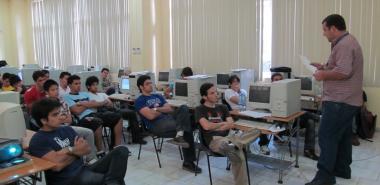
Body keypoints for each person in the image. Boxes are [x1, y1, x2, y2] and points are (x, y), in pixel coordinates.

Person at [306, 14, 363, 185]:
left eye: (325, 29)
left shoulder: (344, 44)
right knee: (343, 136)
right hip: (348, 100)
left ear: (333, 28)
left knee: (326, 136)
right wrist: (323, 67)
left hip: (340, 101)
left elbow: (344, 72)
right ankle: (342, 169)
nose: (323, 33)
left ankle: (324, 178)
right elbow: (340, 67)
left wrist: (323, 74)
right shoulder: (346, 42)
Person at [29, 98, 129, 185]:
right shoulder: (38, 140)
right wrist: (75, 150)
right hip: (67, 180)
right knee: (110, 180)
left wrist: (66, 152)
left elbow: (86, 149)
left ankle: (111, 181)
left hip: (83, 169)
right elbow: (57, 167)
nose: (60, 116)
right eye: (55, 115)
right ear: (43, 120)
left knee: (121, 151)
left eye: (59, 113)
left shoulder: (66, 129)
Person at [195, 83, 260, 185]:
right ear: (204, 96)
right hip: (214, 140)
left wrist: (218, 125)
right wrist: (222, 124)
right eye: (212, 93)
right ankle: (233, 145)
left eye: (216, 92)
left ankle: (233, 144)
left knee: (256, 130)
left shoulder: (223, 107)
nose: (216, 94)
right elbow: (206, 126)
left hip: (230, 136)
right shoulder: (200, 109)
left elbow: (231, 124)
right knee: (239, 156)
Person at [134, 75, 201, 173]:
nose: (150, 85)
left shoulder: (158, 96)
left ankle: (180, 136)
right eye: (147, 84)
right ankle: (188, 161)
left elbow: (169, 109)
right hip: (157, 125)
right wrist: (163, 110)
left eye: (150, 83)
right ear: (141, 87)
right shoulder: (140, 100)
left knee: (184, 108)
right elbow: (150, 116)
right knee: (187, 126)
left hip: (169, 120)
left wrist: (155, 109)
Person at [43, 79, 98, 163]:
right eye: (53, 90)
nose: (56, 91)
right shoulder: (44, 104)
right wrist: (61, 118)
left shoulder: (62, 101)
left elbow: (69, 119)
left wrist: (59, 119)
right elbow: (49, 122)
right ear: (46, 92)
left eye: (57, 89)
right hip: (53, 129)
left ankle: (91, 159)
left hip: (66, 127)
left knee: (88, 132)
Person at [63, 75, 122, 150]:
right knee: (97, 122)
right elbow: (77, 111)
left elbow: (95, 103)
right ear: (69, 85)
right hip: (82, 118)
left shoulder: (84, 94)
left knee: (118, 117)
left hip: (94, 114)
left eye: (79, 83)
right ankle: (100, 151)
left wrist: (82, 103)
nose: (78, 86)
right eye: (76, 84)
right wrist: (89, 104)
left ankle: (117, 147)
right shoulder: (66, 97)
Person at [271, 73, 319, 160]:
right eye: (276, 80)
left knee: (310, 122)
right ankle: (319, 117)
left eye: (280, 80)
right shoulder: (271, 92)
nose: (279, 82)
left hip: (292, 118)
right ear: (272, 81)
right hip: (280, 122)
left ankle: (308, 150)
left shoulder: (288, 91)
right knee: (309, 116)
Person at [86, 76, 146, 145]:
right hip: (101, 113)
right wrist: (103, 103)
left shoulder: (101, 94)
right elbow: (95, 105)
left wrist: (102, 103)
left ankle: (136, 138)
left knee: (131, 113)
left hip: (112, 110)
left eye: (96, 84)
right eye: (93, 85)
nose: (96, 86)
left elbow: (110, 104)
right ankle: (114, 145)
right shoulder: (87, 96)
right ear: (88, 86)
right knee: (116, 118)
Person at [224, 75, 270, 155]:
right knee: (259, 121)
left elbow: (250, 102)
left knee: (262, 120)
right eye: (234, 82)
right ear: (230, 84)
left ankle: (262, 144)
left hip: (247, 112)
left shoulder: (243, 91)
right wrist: (252, 100)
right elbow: (239, 101)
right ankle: (260, 144)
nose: (236, 84)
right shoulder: (228, 91)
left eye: (238, 82)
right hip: (236, 114)